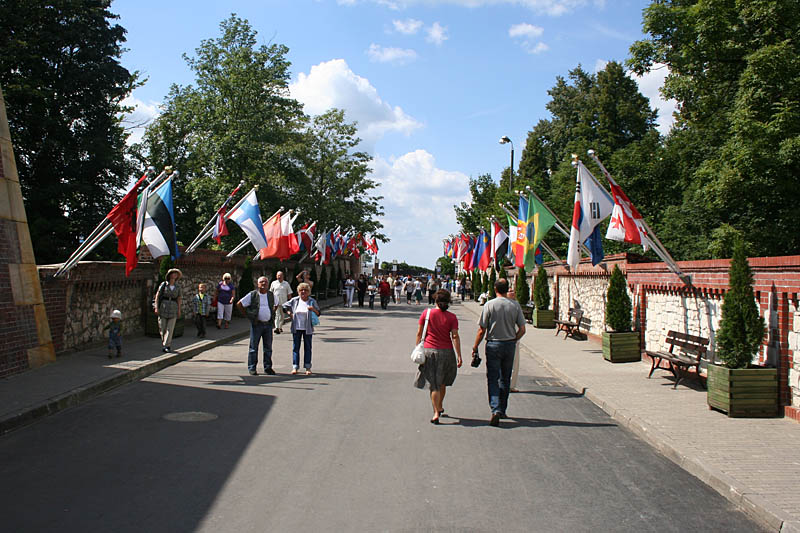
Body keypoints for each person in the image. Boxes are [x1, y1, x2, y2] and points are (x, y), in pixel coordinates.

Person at [471, 278, 526, 427]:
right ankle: (502, 409)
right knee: (505, 378)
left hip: (493, 344)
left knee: (493, 378)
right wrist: (514, 339)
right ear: (507, 288)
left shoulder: (489, 305)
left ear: (495, 289)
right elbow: (522, 329)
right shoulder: (515, 305)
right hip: (509, 344)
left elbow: (482, 329)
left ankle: (494, 408)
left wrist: (475, 347)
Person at [414, 289, 462, 424]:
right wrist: (459, 355)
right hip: (447, 352)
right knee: (442, 383)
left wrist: (417, 347)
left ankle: (435, 412)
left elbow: (419, 333)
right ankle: (440, 406)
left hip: (430, 352)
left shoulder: (426, 313)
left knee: (433, 384)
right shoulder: (452, 317)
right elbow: (455, 336)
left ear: (435, 300)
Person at [237, 276, 278, 376]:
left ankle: (268, 368)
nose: (263, 284)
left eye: (265, 282)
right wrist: (247, 315)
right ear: (257, 284)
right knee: (253, 348)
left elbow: (276, 304)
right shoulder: (253, 295)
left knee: (268, 348)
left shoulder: (271, 295)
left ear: (268, 284)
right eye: (261, 282)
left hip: (268, 325)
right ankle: (252, 368)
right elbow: (239, 304)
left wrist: (272, 313)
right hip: (257, 324)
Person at [282, 282, 321, 375]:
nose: (303, 292)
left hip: (307, 328)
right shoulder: (295, 300)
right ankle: (295, 367)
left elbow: (319, 313)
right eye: (301, 290)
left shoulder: (311, 301)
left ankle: (308, 367)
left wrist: (313, 309)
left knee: (308, 347)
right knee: (296, 347)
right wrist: (289, 313)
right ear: (298, 292)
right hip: (297, 327)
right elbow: (284, 306)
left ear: (309, 292)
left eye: (305, 290)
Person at [154, 268, 182, 353]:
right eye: (173, 274)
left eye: (176, 274)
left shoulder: (178, 286)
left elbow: (179, 298)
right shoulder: (164, 285)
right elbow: (157, 296)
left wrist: (179, 309)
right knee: (162, 327)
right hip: (164, 306)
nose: (174, 275)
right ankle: (164, 343)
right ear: (169, 275)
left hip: (173, 307)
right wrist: (156, 307)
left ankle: (167, 345)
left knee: (170, 328)